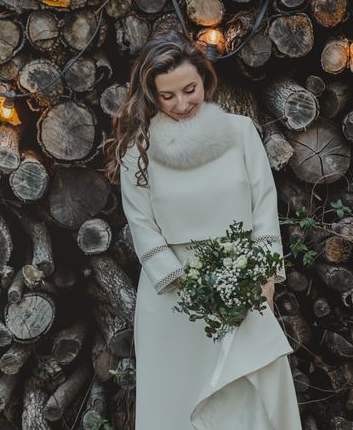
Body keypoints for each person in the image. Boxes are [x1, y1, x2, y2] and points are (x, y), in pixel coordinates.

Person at [103, 31, 302, 430]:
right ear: (151, 96)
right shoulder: (137, 148)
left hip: (242, 280)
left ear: (205, 81)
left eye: (189, 89)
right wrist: (184, 282)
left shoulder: (241, 132)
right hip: (174, 297)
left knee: (255, 387)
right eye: (167, 96)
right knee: (177, 398)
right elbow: (142, 225)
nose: (181, 104)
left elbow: (264, 207)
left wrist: (264, 276)